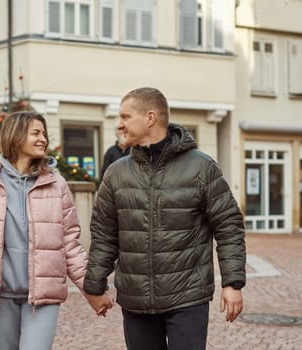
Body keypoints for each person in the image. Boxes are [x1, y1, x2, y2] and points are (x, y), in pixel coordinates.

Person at [83, 87, 246, 350]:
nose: (119, 124)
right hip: (135, 301)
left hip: (187, 298)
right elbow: (104, 235)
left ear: (150, 118)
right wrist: (94, 285)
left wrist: (233, 282)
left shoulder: (201, 167)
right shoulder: (115, 173)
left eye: (125, 116)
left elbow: (229, 225)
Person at [0, 111, 113, 350]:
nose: (43, 140)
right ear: (16, 137)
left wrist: (92, 290)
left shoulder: (56, 184)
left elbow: (70, 245)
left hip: (43, 297)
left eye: (44, 134)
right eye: (36, 133)